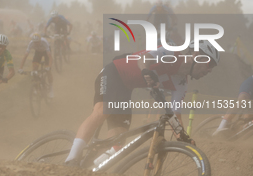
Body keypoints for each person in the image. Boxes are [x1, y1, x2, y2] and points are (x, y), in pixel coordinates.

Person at [64, 40, 220, 165]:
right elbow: (143, 58)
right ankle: (70, 160)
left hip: (125, 89)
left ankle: (90, 167)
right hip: (113, 73)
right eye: (209, 65)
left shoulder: (181, 84)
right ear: (197, 55)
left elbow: (175, 115)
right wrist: (146, 70)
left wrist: (183, 137)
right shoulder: (172, 51)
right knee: (103, 109)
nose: (209, 71)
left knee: (118, 142)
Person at [18, 33, 54, 98]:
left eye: (37, 42)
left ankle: (51, 89)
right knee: (34, 68)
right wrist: (20, 68)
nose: (36, 43)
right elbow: (25, 56)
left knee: (48, 71)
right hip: (38, 52)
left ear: (40, 40)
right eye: (35, 42)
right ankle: (36, 87)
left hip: (46, 52)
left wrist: (49, 67)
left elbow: (50, 57)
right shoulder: (31, 43)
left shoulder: (44, 42)